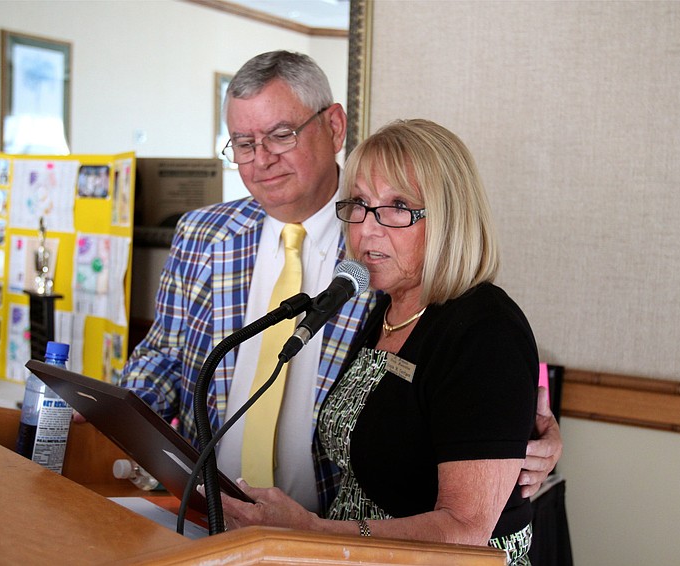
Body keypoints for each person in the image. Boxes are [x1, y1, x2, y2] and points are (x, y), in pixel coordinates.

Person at [120, 51, 560, 518]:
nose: (262, 159)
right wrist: (109, 418)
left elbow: (464, 380)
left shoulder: (388, 258)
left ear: (333, 126)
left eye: (280, 135)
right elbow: (161, 357)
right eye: (244, 143)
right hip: (205, 512)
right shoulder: (201, 234)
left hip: (333, 529)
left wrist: (524, 437)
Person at [216, 118, 539, 563]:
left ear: (450, 218)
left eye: (398, 206)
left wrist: (314, 530)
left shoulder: (485, 330)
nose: (367, 229)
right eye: (360, 204)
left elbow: (465, 529)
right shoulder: (387, 309)